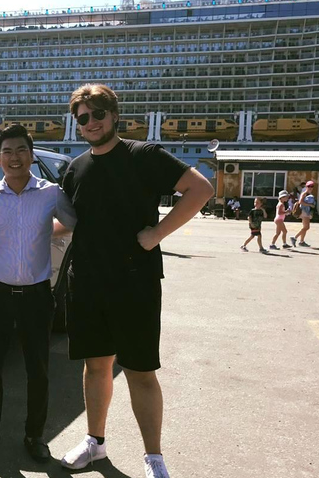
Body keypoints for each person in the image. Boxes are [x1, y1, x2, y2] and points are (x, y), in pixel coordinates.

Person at [59, 84, 213, 478]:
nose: (90, 123)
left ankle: (154, 458)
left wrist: (156, 234)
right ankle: (95, 443)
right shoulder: (75, 169)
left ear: (113, 116)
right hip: (88, 282)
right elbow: (69, 222)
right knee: (96, 367)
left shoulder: (143, 155)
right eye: (83, 118)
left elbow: (200, 189)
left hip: (134, 281)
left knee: (141, 372)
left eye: (97, 114)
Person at [0, 124, 77, 463]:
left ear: (31, 154)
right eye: (7, 151)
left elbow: (72, 221)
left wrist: (46, 230)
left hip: (37, 295)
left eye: (20, 150)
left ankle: (34, 435)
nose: (14, 157)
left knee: (37, 370)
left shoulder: (50, 193)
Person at [291, 180, 315, 247]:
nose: (310, 188)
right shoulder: (304, 193)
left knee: (305, 227)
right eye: (309, 186)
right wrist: (309, 205)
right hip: (304, 212)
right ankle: (295, 238)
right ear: (306, 187)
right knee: (307, 227)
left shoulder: (309, 195)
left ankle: (302, 241)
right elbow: (300, 202)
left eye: (312, 186)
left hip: (307, 211)